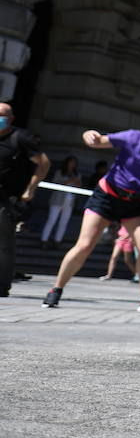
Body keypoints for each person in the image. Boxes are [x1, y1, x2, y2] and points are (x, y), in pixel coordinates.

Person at [44, 110, 140, 310]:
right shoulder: (133, 137)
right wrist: (88, 135)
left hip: (135, 204)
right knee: (84, 245)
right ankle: (55, 290)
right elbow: (99, 141)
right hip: (107, 196)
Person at [1, 101, 50, 297]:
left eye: (3, 115)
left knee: (4, 242)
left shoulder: (20, 138)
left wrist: (31, 188)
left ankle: (2, 284)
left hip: (6, 198)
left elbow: (44, 163)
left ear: (11, 118)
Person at [39, 155, 81, 249]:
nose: (72, 164)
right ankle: (44, 239)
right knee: (52, 219)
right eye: (71, 162)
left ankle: (57, 240)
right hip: (58, 199)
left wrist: (76, 181)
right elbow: (55, 183)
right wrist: (69, 180)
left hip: (70, 200)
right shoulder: (59, 172)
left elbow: (79, 186)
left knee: (64, 222)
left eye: (74, 163)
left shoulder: (77, 174)